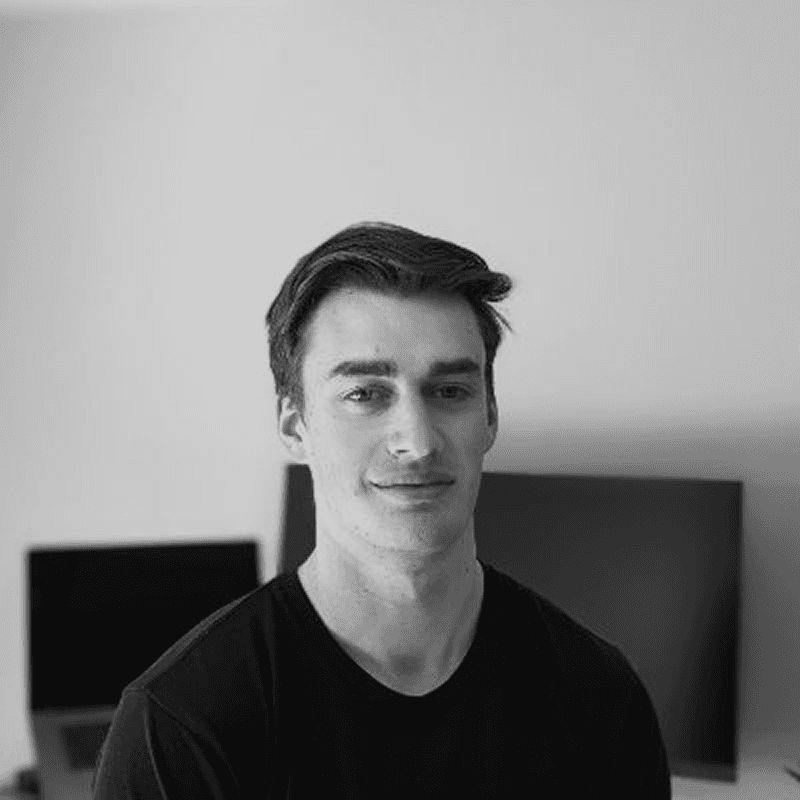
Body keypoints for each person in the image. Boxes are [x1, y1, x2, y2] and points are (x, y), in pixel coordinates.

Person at [92, 222, 671, 798]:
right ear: (294, 425)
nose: (416, 441)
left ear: (490, 417)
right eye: (364, 395)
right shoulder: (184, 722)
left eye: (450, 391)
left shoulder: (599, 696)